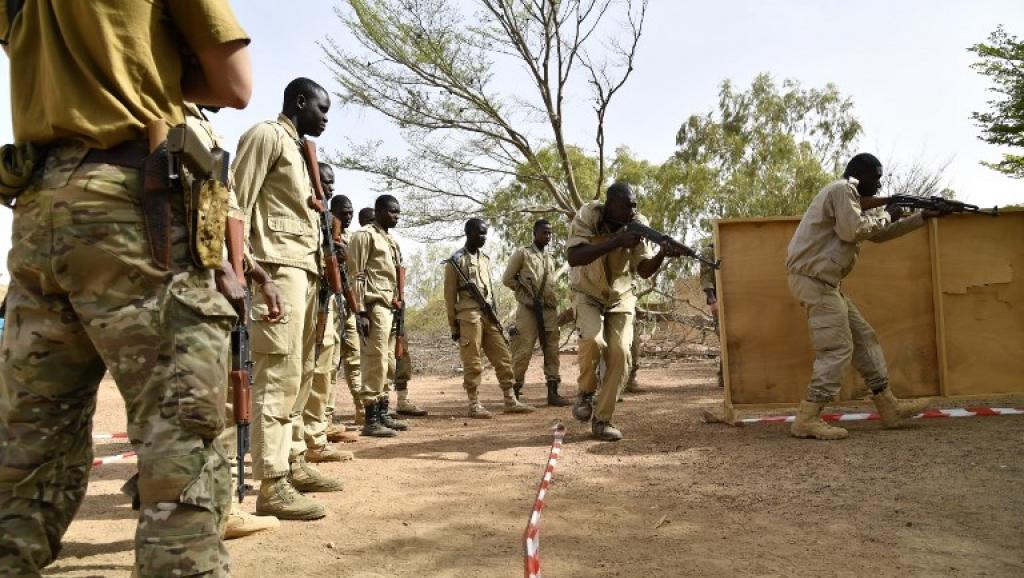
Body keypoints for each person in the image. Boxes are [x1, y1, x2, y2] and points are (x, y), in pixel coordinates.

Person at [0, 1, 250, 574]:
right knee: (179, 431)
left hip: (38, 207)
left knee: (27, 445)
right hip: (134, 204)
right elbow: (233, 86)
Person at [233, 77, 344, 521]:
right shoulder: (266, 136)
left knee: (300, 373)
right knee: (277, 373)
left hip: (306, 271)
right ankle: (272, 483)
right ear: (299, 102)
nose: (326, 116)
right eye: (321, 107)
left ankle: (293, 460)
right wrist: (249, 271)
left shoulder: (302, 153)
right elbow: (236, 201)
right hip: (276, 269)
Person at [785, 153, 938, 440]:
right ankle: (807, 418)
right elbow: (854, 231)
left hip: (825, 283)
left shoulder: (850, 198)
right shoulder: (843, 190)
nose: (879, 185)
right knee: (837, 348)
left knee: (863, 338)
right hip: (814, 281)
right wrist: (889, 212)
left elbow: (877, 234)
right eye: (876, 178)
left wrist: (921, 217)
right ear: (860, 174)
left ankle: (888, 406)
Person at [567, 182, 686, 441]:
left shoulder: (638, 224)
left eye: (635, 205)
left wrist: (662, 255)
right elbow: (574, 257)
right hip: (587, 292)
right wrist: (615, 241)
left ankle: (603, 420)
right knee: (592, 339)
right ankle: (586, 392)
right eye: (627, 205)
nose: (633, 210)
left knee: (620, 353)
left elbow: (642, 269)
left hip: (621, 296)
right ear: (610, 205)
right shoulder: (589, 215)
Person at [445, 219, 536, 418]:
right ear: (468, 233)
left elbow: (490, 292)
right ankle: (474, 403)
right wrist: (454, 327)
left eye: (486, 233)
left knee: (503, 357)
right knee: (473, 361)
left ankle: (510, 399)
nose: (484, 237)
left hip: (488, 315)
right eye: (480, 233)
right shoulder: (456, 261)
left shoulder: (485, 259)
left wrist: (495, 316)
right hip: (468, 316)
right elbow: (449, 296)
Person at [300, 163, 358, 459]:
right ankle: (309, 438)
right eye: (325, 182)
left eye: (333, 183)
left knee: (327, 368)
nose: (330, 187)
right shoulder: (303, 210)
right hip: (305, 298)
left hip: (326, 301)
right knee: (308, 370)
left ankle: (319, 429)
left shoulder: (325, 219)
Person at [347, 195, 410, 436]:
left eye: (398, 212)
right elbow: (357, 274)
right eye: (392, 211)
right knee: (374, 360)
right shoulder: (365, 235)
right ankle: (370, 419)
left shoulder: (390, 240)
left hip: (388, 307)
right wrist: (361, 310)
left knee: (386, 362)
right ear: (379, 211)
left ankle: (383, 412)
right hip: (373, 306)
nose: (396, 216)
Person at [502, 219, 569, 406]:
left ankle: (553, 392)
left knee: (552, 350)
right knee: (523, 349)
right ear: (535, 233)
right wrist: (526, 297)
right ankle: (513, 392)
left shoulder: (550, 258)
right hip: (528, 309)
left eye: (550, 233)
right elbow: (507, 279)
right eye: (544, 232)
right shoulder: (522, 253)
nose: (547, 236)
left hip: (548, 309)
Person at [699, 241, 724, 388]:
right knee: (724, 338)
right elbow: (706, 277)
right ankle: (724, 377)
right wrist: (712, 300)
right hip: (718, 299)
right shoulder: (709, 251)